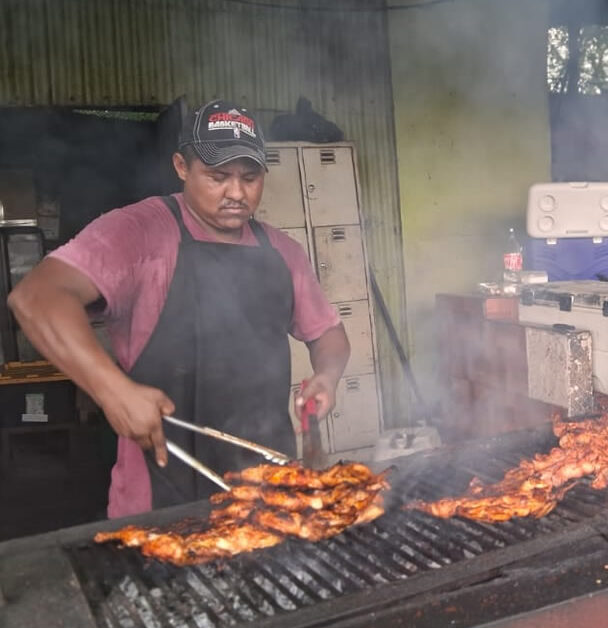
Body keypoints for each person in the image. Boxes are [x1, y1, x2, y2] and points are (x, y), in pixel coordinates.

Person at [7, 100, 350, 518]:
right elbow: (35, 298)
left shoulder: (283, 252)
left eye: (250, 177)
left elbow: (328, 333)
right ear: (181, 167)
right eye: (218, 176)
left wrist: (327, 377)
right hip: (161, 501)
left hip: (265, 492)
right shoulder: (137, 232)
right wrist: (112, 390)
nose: (237, 193)